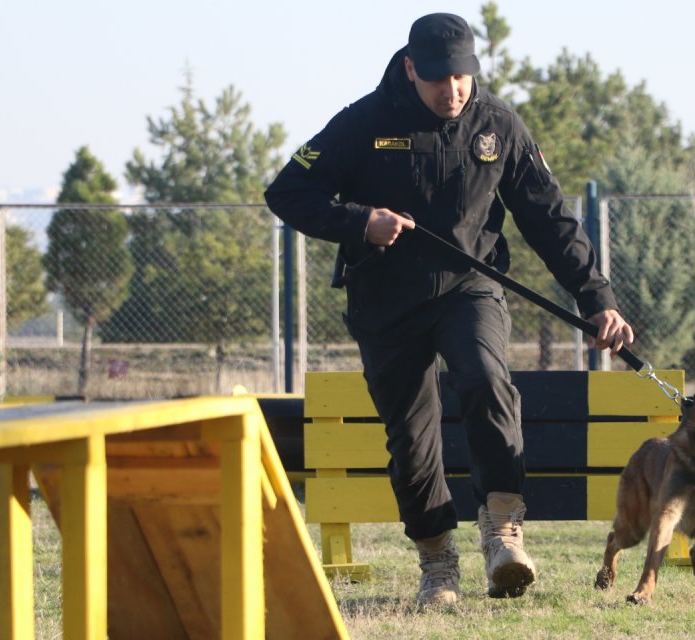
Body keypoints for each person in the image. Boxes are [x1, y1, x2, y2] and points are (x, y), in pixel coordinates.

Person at [265, 12, 633, 605]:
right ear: (410, 69)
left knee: (487, 378)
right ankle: (437, 564)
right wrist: (360, 222)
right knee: (413, 440)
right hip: (386, 298)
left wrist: (597, 299)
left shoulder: (499, 126)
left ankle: (503, 528)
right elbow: (286, 192)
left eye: (461, 77)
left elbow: (550, 219)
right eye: (438, 79)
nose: (451, 90)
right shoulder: (364, 122)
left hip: (471, 287)